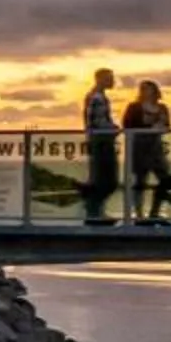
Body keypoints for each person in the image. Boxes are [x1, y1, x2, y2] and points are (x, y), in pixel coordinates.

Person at [123, 79, 171, 226]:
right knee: (140, 180)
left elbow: (168, 125)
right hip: (139, 147)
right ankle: (139, 216)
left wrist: (161, 127)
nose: (144, 91)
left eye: (147, 88)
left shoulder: (162, 107)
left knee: (166, 179)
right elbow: (127, 125)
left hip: (156, 147)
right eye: (142, 89)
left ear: (154, 91)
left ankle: (154, 213)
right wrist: (147, 127)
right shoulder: (134, 107)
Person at [79, 67, 121, 226]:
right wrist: (114, 130)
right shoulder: (96, 98)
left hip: (100, 141)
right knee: (107, 178)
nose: (113, 82)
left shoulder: (97, 97)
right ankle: (94, 212)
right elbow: (96, 122)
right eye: (109, 78)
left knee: (102, 178)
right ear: (100, 79)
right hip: (101, 142)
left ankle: (96, 212)